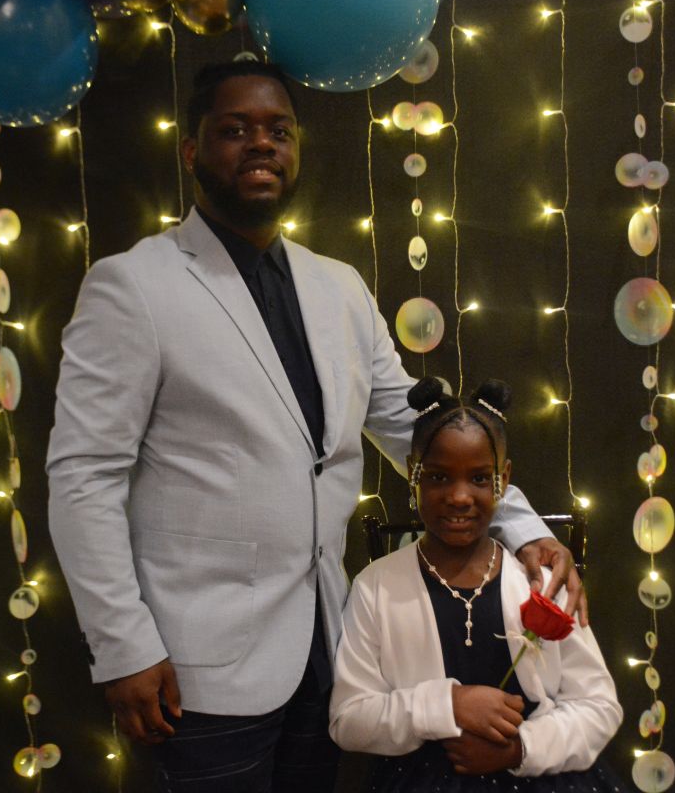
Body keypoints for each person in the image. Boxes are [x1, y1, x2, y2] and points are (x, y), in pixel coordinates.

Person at [45, 60, 585, 792]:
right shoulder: (134, 285)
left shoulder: (340, 286)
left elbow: (418, 428)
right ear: (192, 151)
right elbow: (84, 478)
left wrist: (524, 529)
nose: (260, 145)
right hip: (192, 667)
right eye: (234, 130)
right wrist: (122, 646)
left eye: (279, 131)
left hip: (328, 651)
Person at [329, 378, 625, 792]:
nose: (460, 496)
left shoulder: (540, 581)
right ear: (412, 473)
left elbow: (598, 707)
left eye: (480, 479)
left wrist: (520, 748)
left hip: (541, 773)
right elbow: (349, 719)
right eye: (438, 477)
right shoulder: (375, 588)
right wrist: (447, 706)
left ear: (503, 478)